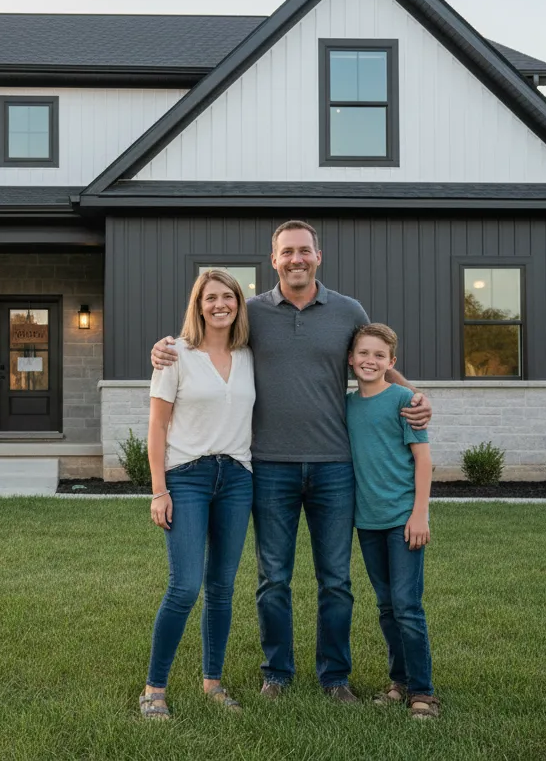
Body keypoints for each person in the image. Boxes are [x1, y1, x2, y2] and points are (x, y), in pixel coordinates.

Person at [151, 220, 431, 701]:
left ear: (317, 255)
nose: (296, 259)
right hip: (269, 467)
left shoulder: (348, 310)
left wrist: (412, 395)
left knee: (336, 581)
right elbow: (208, 341)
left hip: (334, 466)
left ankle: (334, 677)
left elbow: (374, 358)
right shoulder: (251, 312)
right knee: (273, 579)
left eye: (305, 251)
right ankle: (276, 673)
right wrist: (165, 347)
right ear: (273, 258)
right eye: (287, 252)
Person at [139, 269, 257, 721]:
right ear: (198, 304)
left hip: (238, 477)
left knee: (222, 588)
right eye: (211, 298)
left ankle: (212, 682)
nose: (220, 304)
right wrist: (158, 490)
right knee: (185, 586)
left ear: (238, 304)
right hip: (186, 475)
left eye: (228, 297)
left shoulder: (248, 355)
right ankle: (154, 688)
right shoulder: (175, 355)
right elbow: (157, 426)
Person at [345, 323, 438, 720]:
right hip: (367, 521)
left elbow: (424, 458)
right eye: (363, 354)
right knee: (386, 606)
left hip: (403, 520)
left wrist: (420, 514)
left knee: (407, 605)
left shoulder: (404, 400)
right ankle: (399, 682)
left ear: (392, 362)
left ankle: (424, 692)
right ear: (351, 359)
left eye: (379, 356)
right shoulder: (347, 405)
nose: (370, 361)